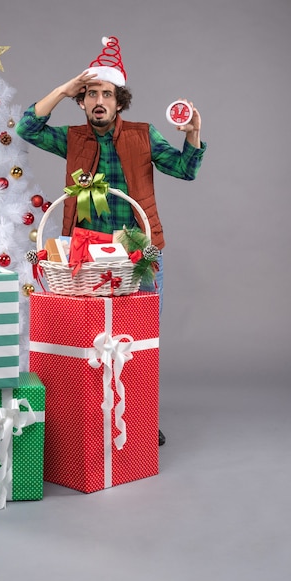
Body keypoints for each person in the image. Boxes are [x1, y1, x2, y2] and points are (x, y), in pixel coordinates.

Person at [16, 36, 207, 446]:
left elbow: (184, 170)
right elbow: (26, 127)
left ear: (120, 101)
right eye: (90, 94)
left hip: (138, 255)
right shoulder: (73, 139)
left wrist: (192, 134)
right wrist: (64, 89)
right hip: (82, 260)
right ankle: (86, 422)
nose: (98, 100)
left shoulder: (143, 134)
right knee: (85, 342)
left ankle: (136, 421)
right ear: (83, 103)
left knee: (136, 344)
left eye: (107, 93)